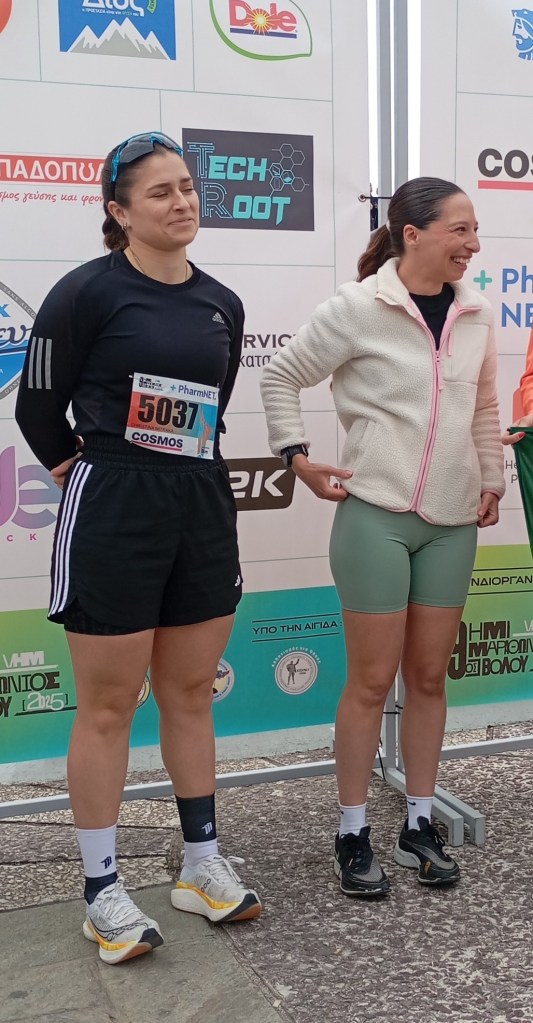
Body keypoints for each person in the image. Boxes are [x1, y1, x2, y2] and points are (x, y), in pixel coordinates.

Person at [15, 131, 261, 965]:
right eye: (159, 191)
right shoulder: (83, 292)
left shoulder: (222, 302)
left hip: (199, 502)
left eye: (186, 186)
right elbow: (37, 408)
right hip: (113, 505)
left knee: (190, 691)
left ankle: (200, 864)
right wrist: (91, 472)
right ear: (118, 212)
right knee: (110, 704)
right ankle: (101, 890)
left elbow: (210, 409)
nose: (181, 201)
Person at [260, 177, 504, 897]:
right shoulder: (357, 307)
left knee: (427, 679)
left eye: (474, 228)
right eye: (460, 229)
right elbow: (280, 377)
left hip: (453, 522)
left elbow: (483, 407)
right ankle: (351, 830)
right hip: (374, 516)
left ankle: (419, 824)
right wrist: (295, 457)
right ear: (412, 234)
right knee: (370, 681)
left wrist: (491, 479)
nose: (473, 243)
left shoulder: (475, 312)